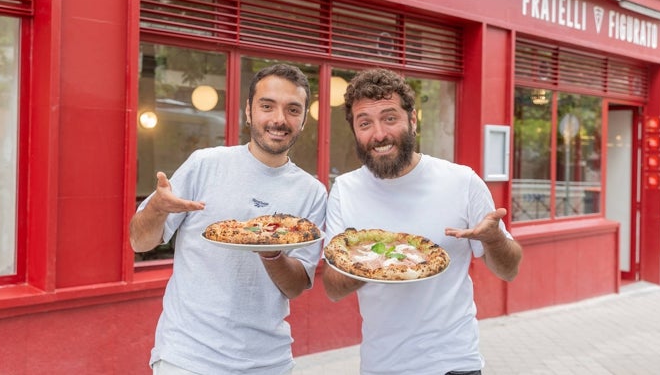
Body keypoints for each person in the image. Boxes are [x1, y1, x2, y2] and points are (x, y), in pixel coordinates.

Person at [322, 68, 522, 375]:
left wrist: (494, 239)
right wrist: (378, 260)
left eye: (390, 118)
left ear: (412, 120)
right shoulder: (345, 190)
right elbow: (333, 289)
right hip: (381, 366)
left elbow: (509, 270)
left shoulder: (462, 181)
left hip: (453, 363)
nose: (379, 134)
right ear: (355, 131)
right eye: (365, 123)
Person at [130, 63, 327, 375]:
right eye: (267, 106)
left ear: (303, 119)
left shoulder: (313, 192)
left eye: (292, 109)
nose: (279, 119)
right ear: (248, 111)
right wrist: (156, 207)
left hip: (268, 362)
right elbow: (139, 241)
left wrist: (271, 251)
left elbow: (295, 286)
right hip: (188, 357)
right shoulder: (205, 164)